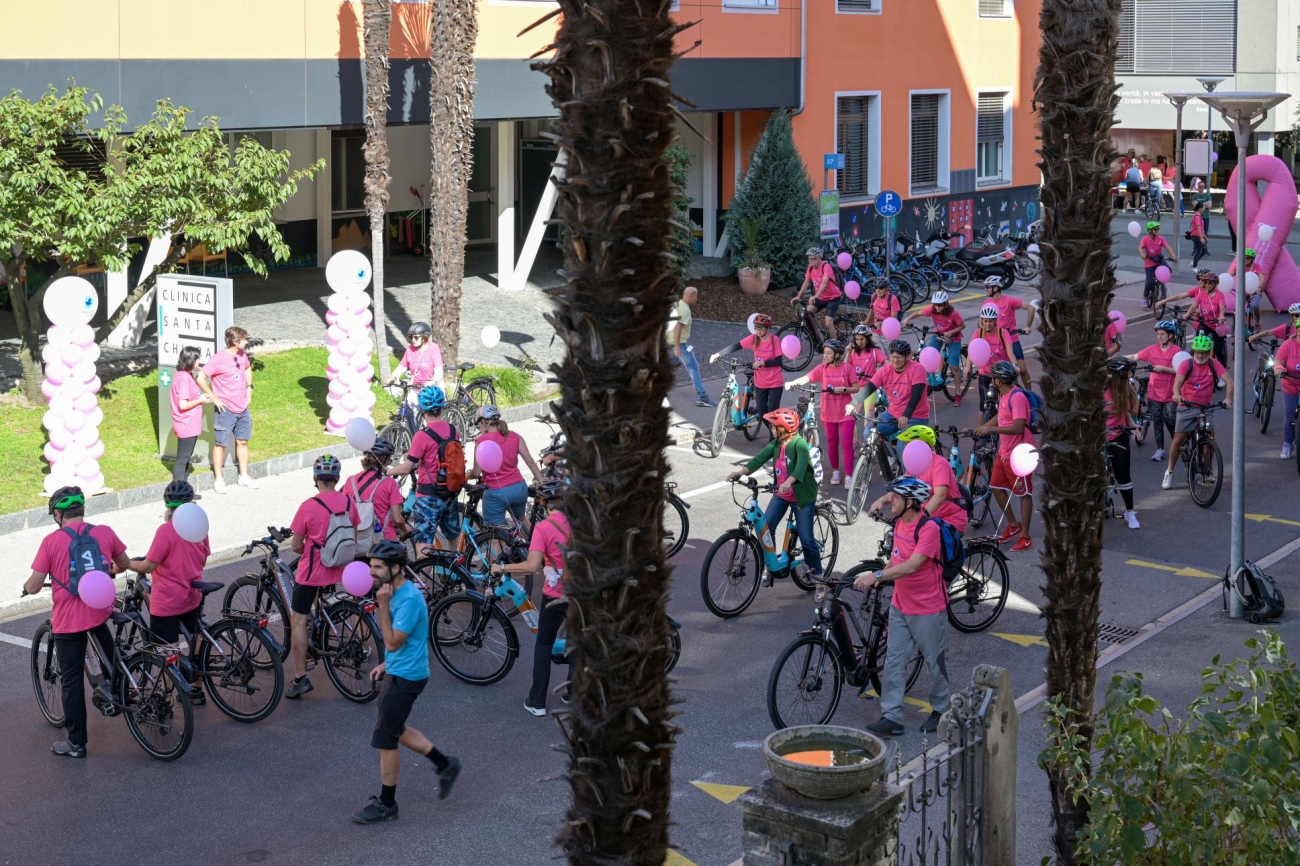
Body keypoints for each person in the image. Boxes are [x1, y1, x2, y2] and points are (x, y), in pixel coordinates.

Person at [352, 540, 460, 824]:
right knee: (395, 728)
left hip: (406, 677)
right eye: (370, 566)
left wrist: (383, 608)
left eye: (377, 567)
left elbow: (392, 640)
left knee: (386, 740)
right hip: (399, 670)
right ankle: (445, 764)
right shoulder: (394, 592)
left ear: (396, 568)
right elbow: (405, 640)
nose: (371, 572)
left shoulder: (407, 598)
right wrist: (387, 662)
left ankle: (387, 804)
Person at [23, 487, 131, 758]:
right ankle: (124, 695)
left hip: (69, 621)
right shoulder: (104, 532)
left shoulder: (51, 542)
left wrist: (26, 586)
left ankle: (76, 744)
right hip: (99, 611)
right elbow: (123, 563)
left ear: (58, 514)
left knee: (70, 681)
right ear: (82, 510)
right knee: (114, 662)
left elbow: (35, 586)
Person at [853, 476, 950, 737]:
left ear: (910, 502)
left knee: (935, 662)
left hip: (928, 609)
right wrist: (880, 577)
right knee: (895, 661)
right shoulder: (899, 525)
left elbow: (913, 565)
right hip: (900, 606)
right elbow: (897, 560)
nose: (890, 500)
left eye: (895, 496)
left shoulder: (929, 529)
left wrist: (878, 577)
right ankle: (892, 716)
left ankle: (942, 710)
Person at [128, 481, 212, 705]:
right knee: (196, 637)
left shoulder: (165, 530)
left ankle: (166, 695)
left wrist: (125, 562)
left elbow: (148, 566)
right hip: (192, 594)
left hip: (168, 600)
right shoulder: (199, 525)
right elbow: (204, 557)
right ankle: (197, 688)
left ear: (167, 504)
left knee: (166, 650)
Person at [491, 480, 569, 716]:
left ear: (544, 504)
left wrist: (502, 568)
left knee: (544, 643)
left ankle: (537, 702)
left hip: (557, 595)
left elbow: (532, 565)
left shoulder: (544, 528)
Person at [286, 454, 361, 699]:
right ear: (337, 478)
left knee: (298, 621)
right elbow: (355, 535)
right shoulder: (349, 503)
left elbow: (296, 546)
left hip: (313, 572)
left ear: (315, 479)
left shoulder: (308, 506)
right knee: (325, 606)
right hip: (341, 568)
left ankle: (299, 677)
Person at [725, 408, 823, 582]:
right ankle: (772, 566)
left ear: (783, 428)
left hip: (801, 497)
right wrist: (740, 472)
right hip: (781, 493)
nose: (771, 429)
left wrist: (788, 482)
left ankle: (819, 577)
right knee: (766, 529)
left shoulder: (799, 444)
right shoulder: (777, 443)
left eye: (773, 427)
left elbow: (800, 466)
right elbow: (759, 458)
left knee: (806, 538)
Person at [386, 386, 463, 554]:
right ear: (442, 408)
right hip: (450, 493)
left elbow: (406, 467)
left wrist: (388, 471)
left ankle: (421, 578)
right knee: (453, 539)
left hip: (428, 497)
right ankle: (459, 575)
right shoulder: (453, 430)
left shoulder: (422, 436)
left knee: (423, 547)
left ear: (422, 409)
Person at [974, 361, 1035, 552]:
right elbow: (1001, 415)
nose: (991, 380)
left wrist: (991, 428)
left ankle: (1026, 537)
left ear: (999, 381)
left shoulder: (1017, 398)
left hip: (1020, 454)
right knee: (995, 487)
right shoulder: (1004, 394)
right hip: (1005, 452)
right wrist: (984, 426)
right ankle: (1013, 525)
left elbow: (1018, 426)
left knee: (1023, 494)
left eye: (993, 377)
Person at [785, 340, 859, 487]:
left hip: (846, 412)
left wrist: (843, 389)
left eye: (828, 353)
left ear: (837, 354)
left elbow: (856, 388)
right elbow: (806, 378)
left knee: (846, 443)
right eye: (824, 353)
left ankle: (849, 476)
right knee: (832, 443)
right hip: (828, 411)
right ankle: (836, 471)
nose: (825, 356)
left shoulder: (847, 368)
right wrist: (792, 383)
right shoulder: (822, 368)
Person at [1163, 335, 1233, 489]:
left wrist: (1228, 399)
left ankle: (1207, 470)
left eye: (1203, 352)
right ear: (1193, 352)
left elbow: (1229, 381)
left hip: (1205, 408)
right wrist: (1176, 394)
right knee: (1178, 439)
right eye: (1197, 352)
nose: (1200, 355)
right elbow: (1178, 383)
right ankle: (1169, 471)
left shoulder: (1213, 364)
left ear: (1209, 352)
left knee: (1210, 436)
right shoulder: (1186, 364)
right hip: (1186, 406)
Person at [198, 326, 257, 494]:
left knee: (243, 441)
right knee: (220, 444)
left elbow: (247, 368)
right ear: (235, 342)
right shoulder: (218, 359)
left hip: (243, 408)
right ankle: (218, 479)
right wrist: (214, 398)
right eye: (244, 339)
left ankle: (243, 476)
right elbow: (200, 377)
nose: (247, 342)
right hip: (226, 410)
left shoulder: (242, 355)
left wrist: (249, 388)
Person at [878, 426, 968, 533]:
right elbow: (903, 489)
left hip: (948, 519)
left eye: (908, 444)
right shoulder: (915, 464)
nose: (906, 448)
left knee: (922, 544)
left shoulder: (939, 464)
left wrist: (920, 519)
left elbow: (940, 496)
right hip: (930, 518)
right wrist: (881, 501)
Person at [470, 405, 543, 527]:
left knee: (494, 534)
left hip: (496, 493)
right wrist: (541, 480)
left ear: (483, 422)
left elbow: (476, 473)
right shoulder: (515, 436)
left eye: (479, 426)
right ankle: (534, 545)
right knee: (521, 519)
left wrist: (466, 475)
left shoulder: (481, 441)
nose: (480, 429)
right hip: (519, 488)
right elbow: (530, 461)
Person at [710, 314, 784, 431]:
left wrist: (763, 363)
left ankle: (774, 441)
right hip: (760, 383)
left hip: (775, 383)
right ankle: (776, 433)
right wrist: (718, 354)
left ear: (768, 328)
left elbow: (779, 361)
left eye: (761, 329)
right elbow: (736, 346)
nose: (758, 332)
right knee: (763, 413)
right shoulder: (753, 339)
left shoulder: (775, 340)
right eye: (756, 328)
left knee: (772, 415)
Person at [1128, 319, 1182, 462]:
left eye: (1162, 334)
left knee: (1170, 420)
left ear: (1170, 335)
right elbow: (1135, 356)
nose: (1159, 337)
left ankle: (1177, 444)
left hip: (1170, 394)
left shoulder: (1176, 351)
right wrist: (1115, 358)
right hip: (1154, 393)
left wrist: (1163, 369)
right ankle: (1160, 450)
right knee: (1157, 420)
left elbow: (1181, 370)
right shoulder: (1152, 349)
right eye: (1158, 334)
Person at [857, 339, 931, 441]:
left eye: (899, 357)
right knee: (868, 433)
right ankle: (889, 456)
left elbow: (916, 396)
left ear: (907, 356)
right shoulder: (885, 370)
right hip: (893, 414)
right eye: (892, 357)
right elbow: (870, 387)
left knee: (903, 446)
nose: (895, 360)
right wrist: (853, 404)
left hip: (915, 416)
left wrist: (906, 415)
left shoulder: (917, 369)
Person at [344, 438, 412, 545]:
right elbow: (398, 519)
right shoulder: (389, 483)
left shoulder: (350, 481)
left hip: (357, 541)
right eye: (389, 461)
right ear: (384, 460)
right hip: (384, 541)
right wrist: (405, 529)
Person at [903, 291, 965, 403]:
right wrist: (908, 319)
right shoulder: (932, 309)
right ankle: (931, 382)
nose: (937, 307)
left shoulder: (954, 313)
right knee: (927, 356)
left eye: (940, 305)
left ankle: (958, 394)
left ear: (946, 304)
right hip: (939, 334)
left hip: (954, 338)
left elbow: (962, 326)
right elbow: (918, 313)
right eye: (935, 304)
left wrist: (951, 331)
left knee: (954, 366)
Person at [1102, 359, 1141, 530]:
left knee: (1123, 474)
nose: (1130, 376)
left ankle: (1129, 512)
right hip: (1099, 435)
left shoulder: (1126, 388)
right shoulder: (1099, 390)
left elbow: (1125, 411)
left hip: (1119, 433)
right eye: (1127, 373)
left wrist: (1131, 426)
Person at [963, 303, 1016, 418]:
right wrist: (967, 367)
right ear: (982, 321)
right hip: (985, 373)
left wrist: (1015, 365)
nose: (988, 324)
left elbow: (1010, 352)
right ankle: (980, 434)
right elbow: (971, 352)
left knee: (1006, 403)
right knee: (983, 406)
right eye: (985, 321)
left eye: (991, 321)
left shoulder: (1003, 333)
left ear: (995, 321)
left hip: (1001, 374)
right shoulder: (978, 333)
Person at [1165, 270, 1227, 368]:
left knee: (1219, 350)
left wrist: (1221, 316)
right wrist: (1187, 315)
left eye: (1210, 283)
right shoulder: (1202, 294)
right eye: (1206, 282)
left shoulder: (1219, 295)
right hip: (1205, 324)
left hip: (1216, 325)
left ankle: (1223, 370)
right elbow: (1194, 306)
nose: (1207, 285)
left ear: (1215, 284)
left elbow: (1222, 307)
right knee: (1197, 344)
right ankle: (1191, 366)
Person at [983, 276, 1034, 388]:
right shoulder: (987, 303)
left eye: (987, 286)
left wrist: (1028, 326)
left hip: (1012, 340)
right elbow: (982, 322)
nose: (985, 289)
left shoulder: (1009, 301)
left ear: (996, 288)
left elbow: (1031, 308)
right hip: (997, 343)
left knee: (1022, 370)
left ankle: (1029, 395)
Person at [169, 346, 211, 482]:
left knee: (185, 460)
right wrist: (201, 400)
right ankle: (178, 494)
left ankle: (185, 492)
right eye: (198, 358)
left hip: (189, 424)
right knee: (182, 461)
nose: (200, 361)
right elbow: (183, 404)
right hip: (186, 424)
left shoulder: (184, 375)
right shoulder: (184, 378)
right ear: (191, 359)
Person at [669, 286, 714, 407]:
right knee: (693, 367)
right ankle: (703, 397)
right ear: (691, 296)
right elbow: (678, 328)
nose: (697, 299)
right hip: (679, 345)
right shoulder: (685, 311)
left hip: (668, 343)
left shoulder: (676, 304)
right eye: (696, 297)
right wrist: (677, 347)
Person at [385, 322, 444, 403]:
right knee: (410, 412)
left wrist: (434, 381)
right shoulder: (410, 350)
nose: (412, 340)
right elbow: (402, 367)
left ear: (425, 336)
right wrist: (392, 377)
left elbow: (438, 370)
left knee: (431, 414)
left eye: (416, 337)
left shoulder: (433, 348)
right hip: (415, 387)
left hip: (432, 389)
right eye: (410, 337)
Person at [792, 247, 842, 337]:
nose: (811, 261)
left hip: (833, 298)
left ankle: (835, 347)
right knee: (806, 313)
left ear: (819, 258)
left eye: (813, 259)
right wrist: (798, 296)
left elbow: (825, 283)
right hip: (820, 298)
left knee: (828, 322)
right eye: (809, 259)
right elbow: (806, 282)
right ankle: (816, 337)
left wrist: (815, 296)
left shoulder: (826, 267)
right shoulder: (810, 268)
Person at [1272, 318, 1300, 459]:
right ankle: (1288, 444)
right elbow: (1278, 361)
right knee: (1290, 417)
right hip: (1291, 385)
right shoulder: (1288, 345)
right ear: (1297, 330)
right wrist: (1278, 368)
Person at [1138, 222, 1176, 310]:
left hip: (1159, 260)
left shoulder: (1161, 238)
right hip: (1149, 262)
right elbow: (1140, 247)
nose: (1157, 230)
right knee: (1149, 282)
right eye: (1155, 229)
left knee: (1169, 269)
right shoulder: (1145, 239)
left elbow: (1168, 247)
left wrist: (1173, 255)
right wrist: (1142, 254)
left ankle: (1160, 284)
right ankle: (1144, 298)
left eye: (1158, 229)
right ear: (1150, 230)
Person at [1228, 248, 1266, 334]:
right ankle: (1238, 333)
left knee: (1255, 305)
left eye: (1248, 258)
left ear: (1252, 259)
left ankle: (1257, 321)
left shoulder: (1257, 266)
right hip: (1243, 291)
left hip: (1255, 290)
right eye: (1244, 257)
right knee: (1238, 309)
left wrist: (1257, 287)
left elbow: (1261, 278)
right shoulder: (1239, 265)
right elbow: (1231, 274)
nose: (1245, 259)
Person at [1190, 180, 1212, 246]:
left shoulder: (1208, 196)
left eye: (1203, 186)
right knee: (1196, 234)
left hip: (1206, 217)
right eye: (1200, 186)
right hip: (1198, 217)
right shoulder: (1194, 196)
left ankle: (1204, 248)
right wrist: (1205, 203)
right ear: (1198, 187)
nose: (1201, 187)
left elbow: (1210, 205)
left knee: (1205, 233)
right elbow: (1195, 206)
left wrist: (1200, 204)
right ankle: (1196, 248)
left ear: (1204, 187)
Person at [1189, 201, 1208, 269]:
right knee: (1199, 251)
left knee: (1203, 251)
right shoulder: (1197, 216)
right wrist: (1201, 238)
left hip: (1197, 235)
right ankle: (1194, 266)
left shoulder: (1198, 216)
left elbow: (1201, 228)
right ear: (1200, 208)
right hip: (1196, 236)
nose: (1204, 209)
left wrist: (1204, 235)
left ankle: (1194, 262)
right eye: (1203, 207)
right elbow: (1198, 227)